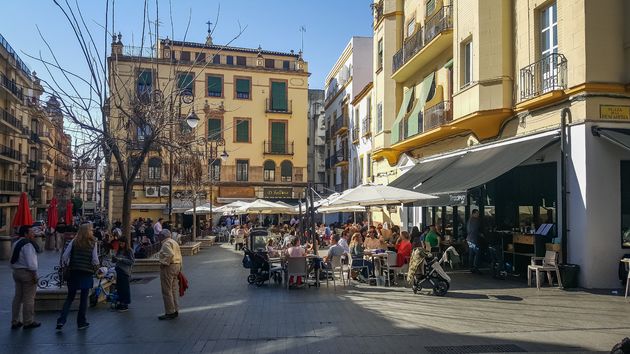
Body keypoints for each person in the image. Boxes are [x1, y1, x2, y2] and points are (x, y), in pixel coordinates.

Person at [57, 223, 99, 331]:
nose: (92, 231)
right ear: (88, 231)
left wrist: (65, 266)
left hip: (74, 272)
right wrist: (97, 269)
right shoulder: (93, 243)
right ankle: (81, 322)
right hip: (86, 273)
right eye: (91, 229)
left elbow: (65, 256)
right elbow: (95, 259)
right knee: (84, 299)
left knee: (70, 298)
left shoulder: (74, 241)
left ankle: (61, 320)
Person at [10, 225, 40, 330]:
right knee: (29, 298)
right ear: (26, 234)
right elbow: (31, 263)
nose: (33, 234)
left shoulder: (16, 243)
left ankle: (15, 321)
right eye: (31, 232)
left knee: (18, 297)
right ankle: (28, 321)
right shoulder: (28, 245)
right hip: (27, 273)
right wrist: (34, 275)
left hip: (16, 272)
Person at [158, 229, 182, 320]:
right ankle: (175, 309)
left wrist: (164, 262)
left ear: (162, 236)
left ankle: (170, 312)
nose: (158, 237)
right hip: (176, 266)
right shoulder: (174, 242)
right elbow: (179, 255)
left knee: (166, 290)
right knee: (173, 289)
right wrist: (180, 268)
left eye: (159, 235)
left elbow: (170, 254)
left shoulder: (166, 243)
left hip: (169, 267)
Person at [113, 237, 135, 312]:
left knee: (125, 288)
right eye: (120, 243)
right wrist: (115, 259)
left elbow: (131, 261)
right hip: (118, 270)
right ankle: (121, 301)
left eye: (122, 243)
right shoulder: (119, 251)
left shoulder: (129, 250)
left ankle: (125, 303)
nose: (121, 244)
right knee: (119, 288)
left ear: (125, 243)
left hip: (125, 271)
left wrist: (121, 259)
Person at [467, 209, 482, 274]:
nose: (478, 215)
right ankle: (476, 267)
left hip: (469, 239)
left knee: (471, 253)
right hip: (473, 239)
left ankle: (471, 267)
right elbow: (475, 230)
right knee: (477, 253)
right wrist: (480, 234)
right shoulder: (475, 220)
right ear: (474, 213)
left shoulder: (469, 220)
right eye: (477, 213)